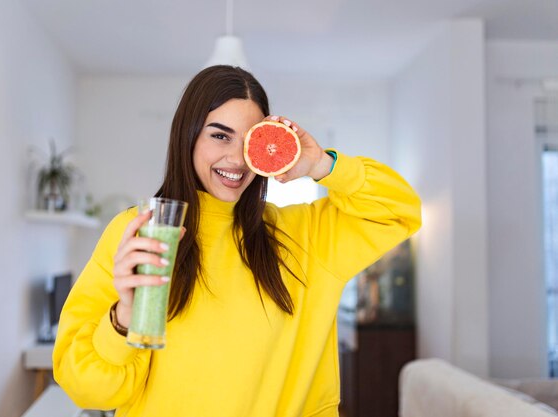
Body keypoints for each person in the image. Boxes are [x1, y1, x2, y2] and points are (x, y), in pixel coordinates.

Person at [53, 65, 422, 417]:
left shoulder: (305, 235)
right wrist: (123, 317)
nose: (237, 158)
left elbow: (399, 209)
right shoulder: (141, 231)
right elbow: (89, 389)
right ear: (188, 135)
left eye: (250, 141)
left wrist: (321, 165)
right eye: (219, 135)